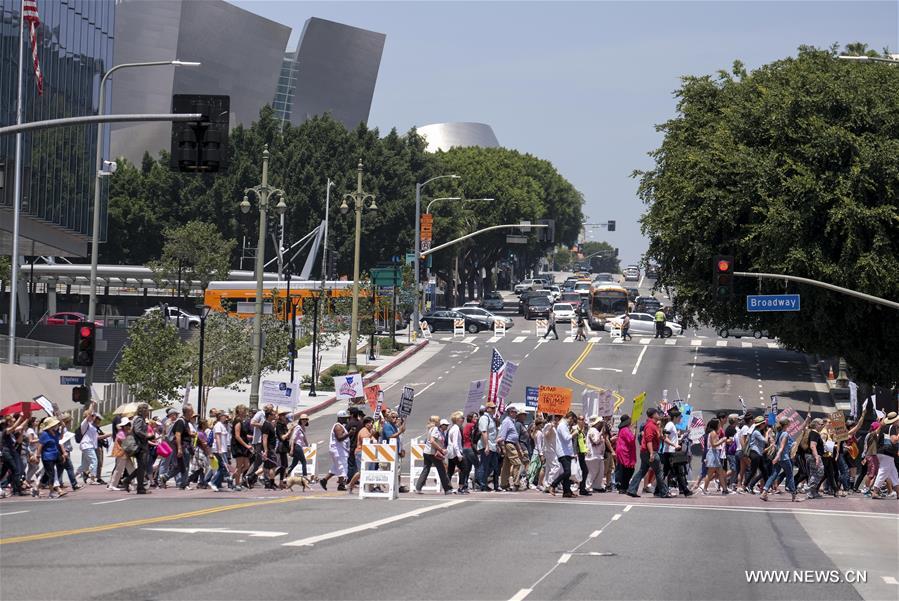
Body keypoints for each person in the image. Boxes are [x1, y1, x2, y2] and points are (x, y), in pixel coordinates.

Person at [628, 408, 670, 498]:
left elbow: (660, 437)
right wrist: (651, 453)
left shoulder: (654, 425)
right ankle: (664, 492)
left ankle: (632, 489)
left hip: (646, 452)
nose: (658, 415)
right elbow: (649, 440)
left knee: (642, 471)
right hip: (650, 451)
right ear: (653, 415)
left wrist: (660, 429)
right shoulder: (650, 426)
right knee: (659, 471)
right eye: (657, 413)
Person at [761, 417, 800, 502]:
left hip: (778, 459)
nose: (790, 424)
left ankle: (764, 492)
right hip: (784, 458)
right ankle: (794, 495)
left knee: (773, 475)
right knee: (790, 476)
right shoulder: (785, 434)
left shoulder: (779, 432)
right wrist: (777, 456)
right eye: (789, 422)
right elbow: (781, 447)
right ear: (786, 424)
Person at [415, 417, 453, 494]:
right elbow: (432, 441)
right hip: (432, 453)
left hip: (427, 452)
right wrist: (440, 449)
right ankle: (447, 488)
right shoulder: (435, 429)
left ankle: (418, 487)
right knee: (442, 470)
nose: (447, 426)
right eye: (445, 425)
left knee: (426, 469)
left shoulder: (433, 429)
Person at [661, 407, 691, 496]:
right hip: (669, 452)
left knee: (671, 472)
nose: (681, 419)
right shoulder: (670, 425)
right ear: (675, 417)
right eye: (680, 417)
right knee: (676, 472)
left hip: (671, 452)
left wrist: (679, 438)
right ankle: (685, 491)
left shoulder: (672, 425)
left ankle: (658, 490)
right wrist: (674, 445)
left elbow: (670, 438)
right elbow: (665, 438)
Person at [870, 412, 898, 499]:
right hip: (887, 453)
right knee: (883, 471)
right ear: (895, 420)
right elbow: (894, 440)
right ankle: (875, 492)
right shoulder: (892, 427)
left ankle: (898, 493)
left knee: (894, 474)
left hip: (881, 451)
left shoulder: (884, 427)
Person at [321, 411, 351, 491]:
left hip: (340, 450)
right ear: (340, 418)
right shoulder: (338, 426)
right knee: (342, 466)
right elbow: (339, 438)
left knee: (336, 467)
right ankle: (341, 484)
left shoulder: (341, 426)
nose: (347, 419)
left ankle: (324, 480)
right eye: (345, 418)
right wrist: (350, 433)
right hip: (338, 450)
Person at [550, 412, 576, 497]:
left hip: (567, 452)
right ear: (570, 418)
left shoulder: (564, 426)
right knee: (567, 472)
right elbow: (567, 438)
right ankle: (553, 484)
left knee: (567, 473)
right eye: (573, 420)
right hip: (563, 452)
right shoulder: (562, 426)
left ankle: (567, 491)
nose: (572, 423)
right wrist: (574, 433)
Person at [699, 418, 729, 495]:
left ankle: (724, 489)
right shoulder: (713, 433)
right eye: (718, 423)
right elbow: (714, 444)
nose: (720, 425)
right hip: (713, 454)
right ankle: (705, 489)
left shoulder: (714, 432)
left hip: (715, 454)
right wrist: (722, 440)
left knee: (720, 472)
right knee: (710, 473)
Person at [497, 406, 524, 491]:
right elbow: (503, 436)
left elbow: (515, 437)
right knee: (517, 463)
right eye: (514, 412)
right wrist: (501, 446)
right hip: (509, 444)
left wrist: (519, 449)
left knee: (506, 465)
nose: (516, 414)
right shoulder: (506, 422)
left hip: (512, 444)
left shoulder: (511, 421)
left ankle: (504, 483)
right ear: (510, 413)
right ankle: (516, 483)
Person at [347, 416, 374, 494]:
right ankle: (350, 485)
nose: (371, 424)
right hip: (360, 452)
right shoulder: (363, 430)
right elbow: (365, 439)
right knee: (361, 471)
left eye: (372, 423)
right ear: (366, 424)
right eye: (370, 423)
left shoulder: (369, 431)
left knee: (366, 470)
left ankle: (369, 488)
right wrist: (371, 434)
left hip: (367, 453)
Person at [108, 417, 136, 492]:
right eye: (126, 425)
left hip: (125, 454)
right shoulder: (121, 433)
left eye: (128, 425)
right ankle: (112, 485)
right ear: (123, 426)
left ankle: (134, 484)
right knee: (119, 469)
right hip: (121, 454)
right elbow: (126, 442)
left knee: (131, 469)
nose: (128, 426)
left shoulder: (125, 432)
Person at [476, 402, 499, 491]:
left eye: (494, 408)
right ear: (487, 409)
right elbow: (484, 432)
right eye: (492, 408)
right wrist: (486, 446)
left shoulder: (491, 418)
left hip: (492, 445)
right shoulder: (484, 418)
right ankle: (482, 484)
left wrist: (496, 445)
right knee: (484, 466)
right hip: (486, 445)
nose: (494, 409)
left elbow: (493, 433)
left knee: (493, 466)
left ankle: (482, 481)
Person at [445, 411, 467, 493]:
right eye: (462, 418)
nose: (463, 420)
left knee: (450, 470)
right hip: (455, 453)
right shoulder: (456, 429)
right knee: (464, 468)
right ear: (457, 419)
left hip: (451, 453)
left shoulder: (452, 428)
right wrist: (459, 454)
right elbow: (455, 443)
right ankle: (461, 488)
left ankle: (447, 487)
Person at [614, 415, 636, 493]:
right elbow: (631, 440)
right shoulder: (625, 430)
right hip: (625, 452)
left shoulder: (622, 429)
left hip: (623, 451)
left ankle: (623, 486)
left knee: (624, 469)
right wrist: (633, 431)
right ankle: (623, 487)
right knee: (627, 470)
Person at [585, 416, 606, 492]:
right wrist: (601, 433)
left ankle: (597, 486)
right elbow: (596, 441)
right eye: (601, 423)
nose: (602, 424)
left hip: (598, 455)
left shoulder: (596, 431)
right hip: (593, 455)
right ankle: (588, 486)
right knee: (593, 472)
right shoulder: (592, 430)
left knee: (600, 471)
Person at [287, 413, 310, 478]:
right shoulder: (298, 427)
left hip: (299, 446)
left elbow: (304, 439)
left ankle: (285, 474)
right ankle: (305, 476)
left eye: (306, 419)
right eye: (303, 419)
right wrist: (291, 449)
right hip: (297, 446)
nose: (305, 420)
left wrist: (307, 446)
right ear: (300, 420)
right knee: (303, 461)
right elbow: (293, 438)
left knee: (294, 463)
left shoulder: (303, 428)